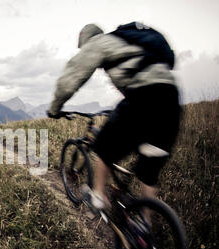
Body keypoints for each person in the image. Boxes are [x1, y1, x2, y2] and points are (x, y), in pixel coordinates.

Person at [47, 22, 181, 224]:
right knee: (149, 171)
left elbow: (72, 77)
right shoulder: (128, 43)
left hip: (143, 98)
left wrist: (54, 108)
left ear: (85, 40)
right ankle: (144, 225)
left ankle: (99, 198)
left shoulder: (99, 42)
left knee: (104, 146)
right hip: (170, 101)